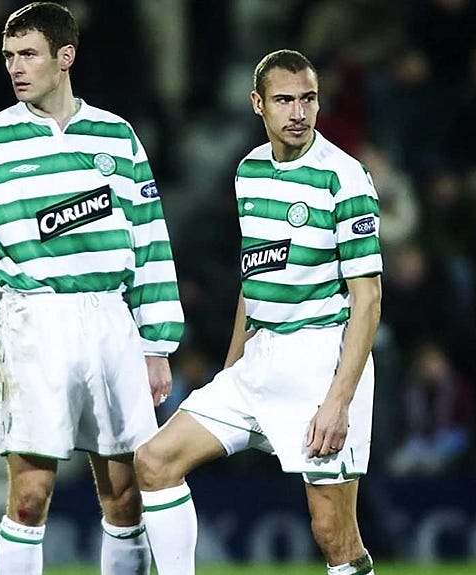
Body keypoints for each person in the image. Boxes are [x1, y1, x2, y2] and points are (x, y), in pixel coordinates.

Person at [0, 3, 184, 574]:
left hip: (110, 320)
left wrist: (157, 344)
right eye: (9, 56)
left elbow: (150, 241)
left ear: (64, 57)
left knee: (125, 497)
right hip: (34, 322)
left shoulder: (117, 137)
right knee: (30, 497)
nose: (16, 68)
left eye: (28, 55)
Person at [134, 49, 382, 575]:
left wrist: (339, 400)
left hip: (321, 360)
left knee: (333, 533)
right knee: (155, 462)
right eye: (285, 100)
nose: (298, 112)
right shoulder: (248, 171)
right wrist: (231, 370)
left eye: (308, 99)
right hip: (258, 359)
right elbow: (255, 277)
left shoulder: (344, 177)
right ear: (258, 105)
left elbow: (368, 299)